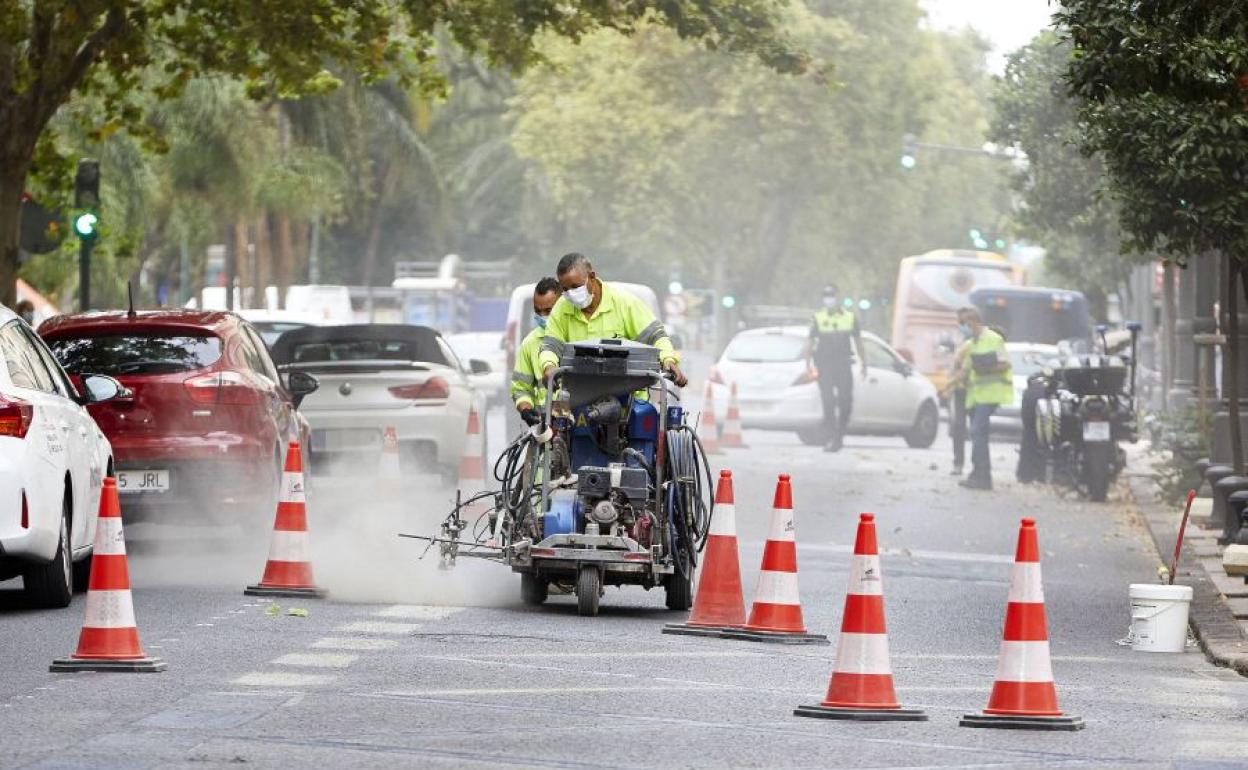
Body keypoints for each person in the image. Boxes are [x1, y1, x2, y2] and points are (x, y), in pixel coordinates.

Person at [539, 253, 687, 387]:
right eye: (565, 289)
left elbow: (656, 336)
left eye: (575, 287)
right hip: (578, 396)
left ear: (592, 276)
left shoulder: (625, 303)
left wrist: (668, 360)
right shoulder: (561, 309)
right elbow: (550, 346)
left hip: (627, 397)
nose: (571, 294)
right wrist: (549, 366)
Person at [957, 306, 1013, 490]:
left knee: (976, 431)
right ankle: (980, 475)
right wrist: (958, 382)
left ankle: (981, 476)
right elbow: (966, 368)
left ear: (972, 321)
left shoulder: (993, 339)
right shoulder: (972, 343)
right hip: (976, 396)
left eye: (962, 323)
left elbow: (1005, 363)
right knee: (978, 434)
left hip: (991, 394)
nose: (960, 327)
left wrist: (986, 369)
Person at [808, 284, 867, 452]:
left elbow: (858, 342)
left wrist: (864, 363)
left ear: (838, 296)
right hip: (825, 364)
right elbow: (810, 342)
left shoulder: (850, 317)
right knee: (828, 401)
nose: (829, 298)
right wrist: (808, 364)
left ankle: (839, 434)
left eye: (831, 295)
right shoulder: (818, 318)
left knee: (845, 401)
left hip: (842, 363)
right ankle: (832, 435)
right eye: (826, 295)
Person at [511, 277, 562, 425]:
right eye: (538, 311)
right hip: (546, 429)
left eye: (548, 311)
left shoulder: (577, 336)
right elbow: (520, 388)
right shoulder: (530, 343)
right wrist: (526, 409)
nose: (542, 316)